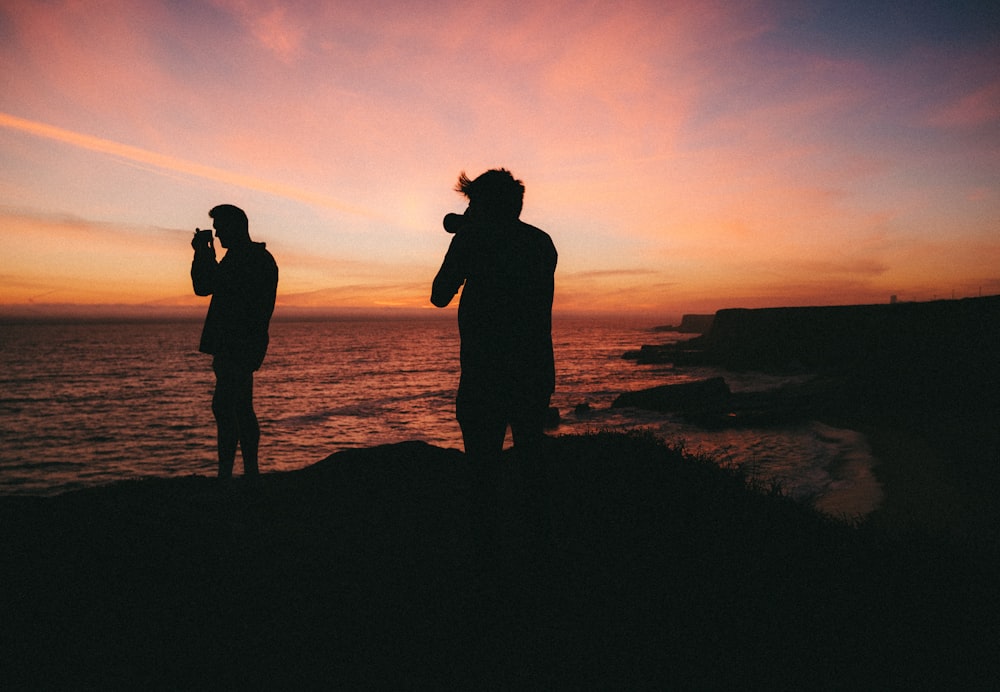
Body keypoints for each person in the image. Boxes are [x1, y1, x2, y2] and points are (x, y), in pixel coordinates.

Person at [431, 169, 557, 548]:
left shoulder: (473, 241)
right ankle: (537, 549)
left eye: (473, 202)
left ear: (482, 205)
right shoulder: (541, 243)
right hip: (534, 370)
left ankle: (485, 562)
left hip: (485, 374)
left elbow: (439, 294)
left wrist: (466, 238)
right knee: (531, 466)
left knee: (482, 474)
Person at [191, 204, 278, 480]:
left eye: (220, 228)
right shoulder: (248, 258)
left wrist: (202, 253)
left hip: (238, 343)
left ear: (235, 226)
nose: (217, 234)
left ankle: (228, 476)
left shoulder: (248, 259)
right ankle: (246, 473)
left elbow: (206, 285)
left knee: (228, 407)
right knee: (238, 406)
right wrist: (204, 255)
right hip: (242, 343)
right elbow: (209, 285)